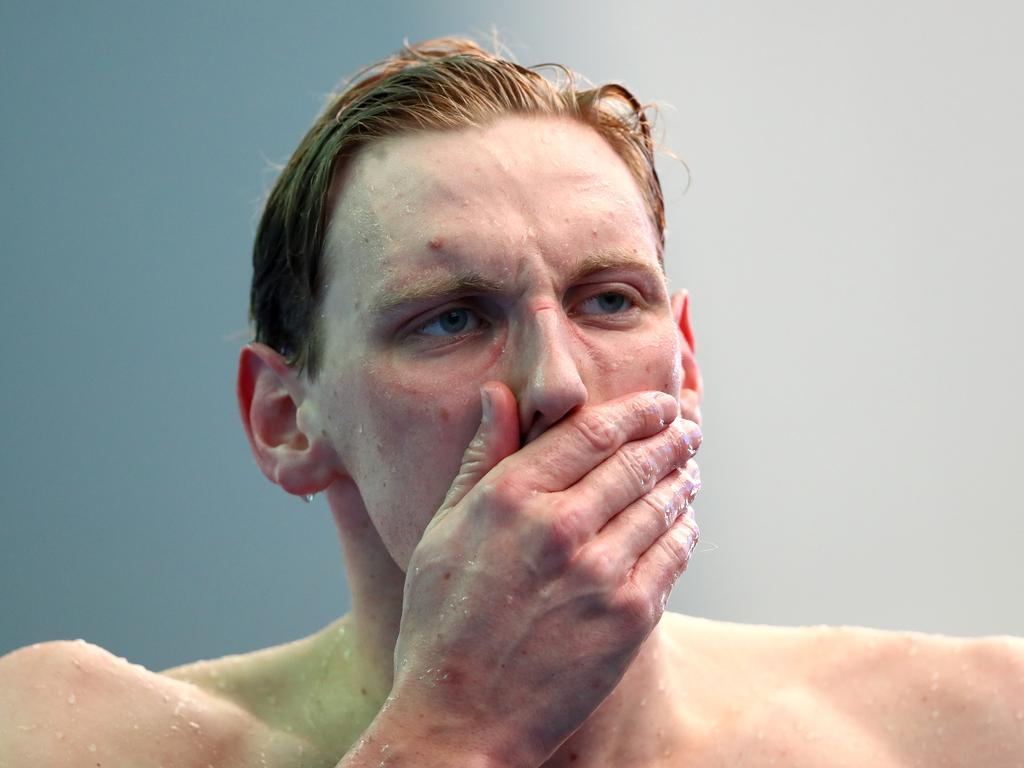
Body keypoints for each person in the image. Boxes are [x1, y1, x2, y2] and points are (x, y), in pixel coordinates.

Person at [1, 36, 1021, 768]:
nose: (557, 384)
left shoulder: (973, 728)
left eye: (610, 300)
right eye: (449, 318)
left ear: (687, 366)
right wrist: (458, 731)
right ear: (286, 419)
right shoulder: (67, 735)